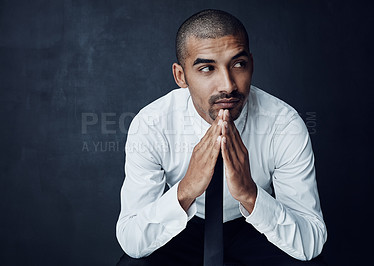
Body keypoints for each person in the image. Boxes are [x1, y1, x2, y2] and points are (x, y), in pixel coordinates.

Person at [116, 9, 327, 266]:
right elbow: (131, 239)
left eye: (238, 64)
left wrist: (250, 194)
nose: (227, 85)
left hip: (255, 224)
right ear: (180, 76)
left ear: (251, 64)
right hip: (183, 226)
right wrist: (185, 190)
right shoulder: (152, 124)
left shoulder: (284, 124)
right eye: (207, 68)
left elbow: (312, 241)